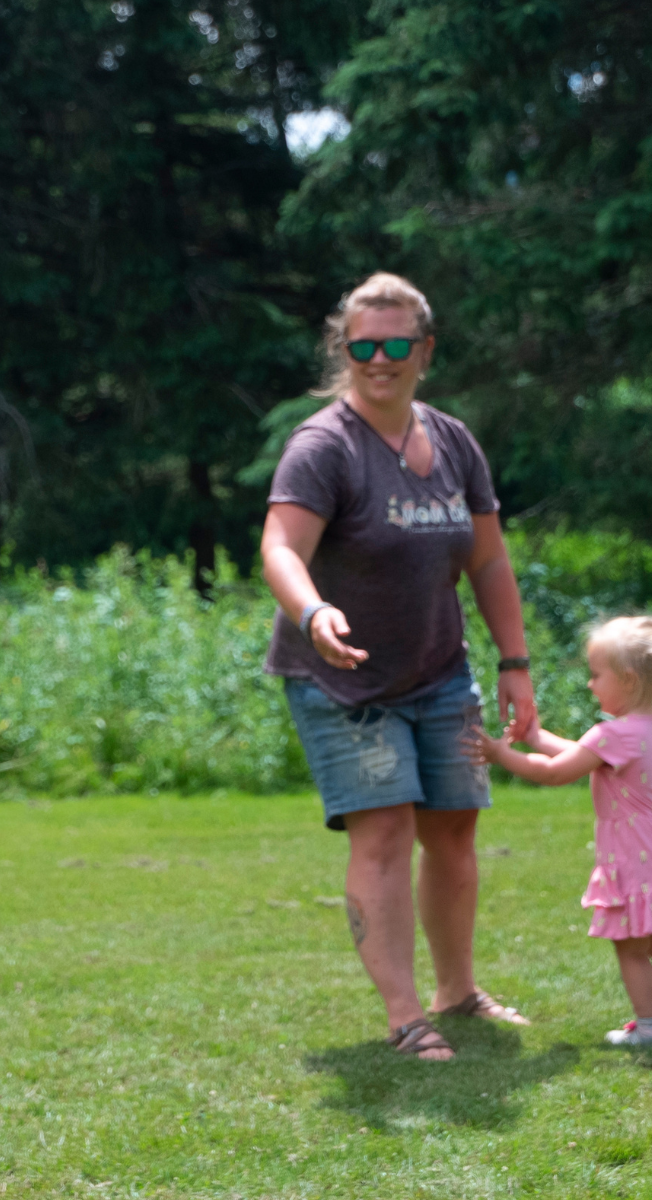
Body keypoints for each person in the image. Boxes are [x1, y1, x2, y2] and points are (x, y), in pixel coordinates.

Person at [260, 272, 538, 1062]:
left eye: (395, 345)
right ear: (343, 350)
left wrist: (514, 660)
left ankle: (458, 992)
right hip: (343, 680)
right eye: (362, 346)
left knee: (453, 833)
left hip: (441, 672)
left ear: (425, 350)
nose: (378, 360)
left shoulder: (452, 440)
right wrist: (313, 611)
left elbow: (487, 561)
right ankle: (405, 1016)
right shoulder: (324, 447)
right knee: (382, 833)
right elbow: (280, 547)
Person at [468, 615, 652, 1047]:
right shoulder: (649, 726)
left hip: (640, 853)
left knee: (630, 946)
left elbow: (558, 773)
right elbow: (585, 755)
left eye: (596, 675)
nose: (589, 685)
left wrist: (500, 754)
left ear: (629, 680)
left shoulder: (614, 733)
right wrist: (537, 737)